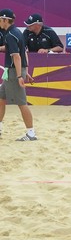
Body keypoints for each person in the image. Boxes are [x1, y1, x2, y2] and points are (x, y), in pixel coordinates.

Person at [0, 8, 37, 141]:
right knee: (1, 99)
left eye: (0, 20)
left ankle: (31, 133)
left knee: (22, 103)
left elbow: (16, 56)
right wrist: (25, 71)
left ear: (5, 20)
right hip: (14, 71)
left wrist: (20, 76)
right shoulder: (16, 32)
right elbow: (23, 52)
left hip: (13, 72)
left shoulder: (10, 35)